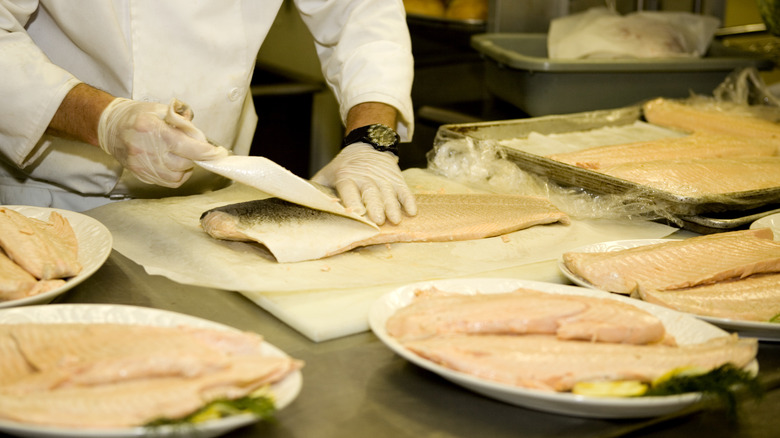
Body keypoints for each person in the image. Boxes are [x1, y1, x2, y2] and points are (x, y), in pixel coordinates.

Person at [0, 1, 417, 225]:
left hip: (218, 199)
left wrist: (370, 141)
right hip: (59, 202)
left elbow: (360, 12)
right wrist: (105, 120)